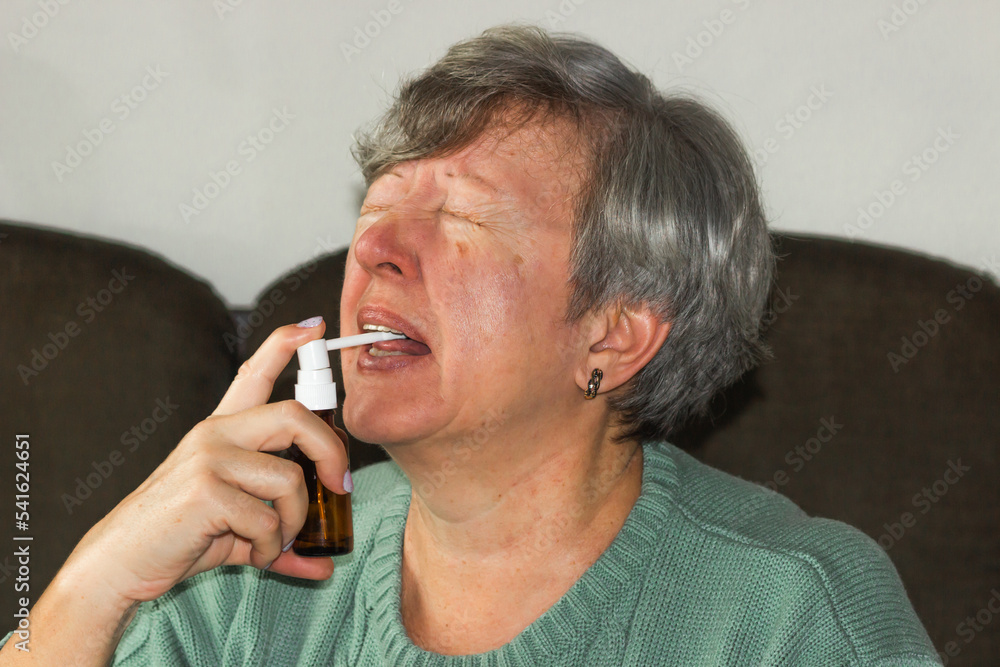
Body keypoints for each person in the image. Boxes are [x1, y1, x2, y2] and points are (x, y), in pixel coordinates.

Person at [1, 24, 941, 665]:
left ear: (614, 332)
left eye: (458, 219)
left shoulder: (790, 615)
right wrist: (96, 581)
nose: (373, 247)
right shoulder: (251, 574)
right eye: (376, 210)